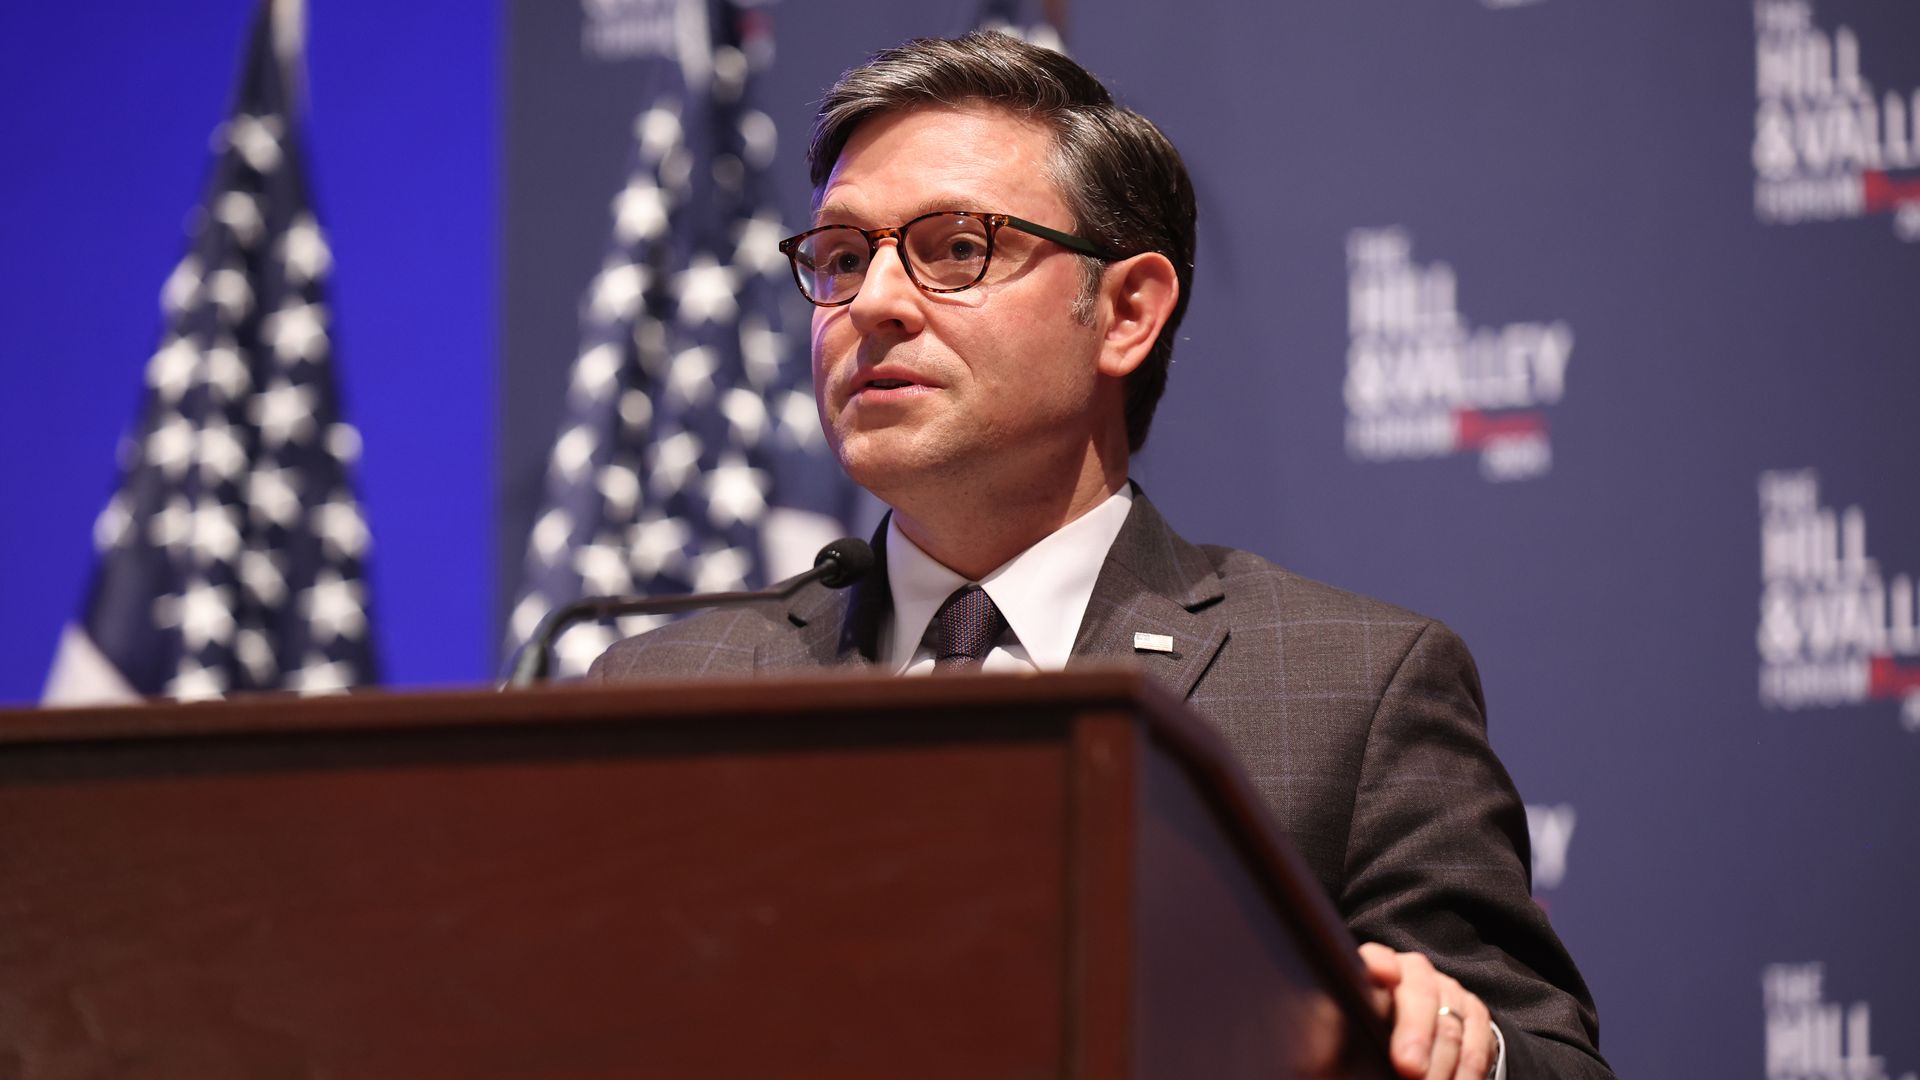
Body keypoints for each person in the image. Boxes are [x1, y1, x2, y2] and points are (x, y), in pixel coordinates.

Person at [592, 31, 1614, 1080]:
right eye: (844, 257)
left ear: (1127, 313)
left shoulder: (1350, 690)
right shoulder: (662, 694)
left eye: (957, 248)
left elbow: (1549, 1058)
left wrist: (1459, 1048)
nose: (874, 303)